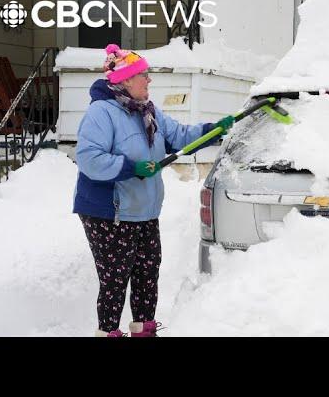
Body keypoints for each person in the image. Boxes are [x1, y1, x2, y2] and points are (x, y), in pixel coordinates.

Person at [73, 43, 234, 337]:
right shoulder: (102, 112)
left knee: (147, 274)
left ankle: (143, 330)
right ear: (125, 80)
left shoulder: (148, 112)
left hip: (144, 210)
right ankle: (108, 332)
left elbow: (179, 137)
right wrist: (130, 168)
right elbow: (88, 158)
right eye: (144, 75)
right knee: (115, 279)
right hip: (110, 211)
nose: (149, 80)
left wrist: (215, 130)